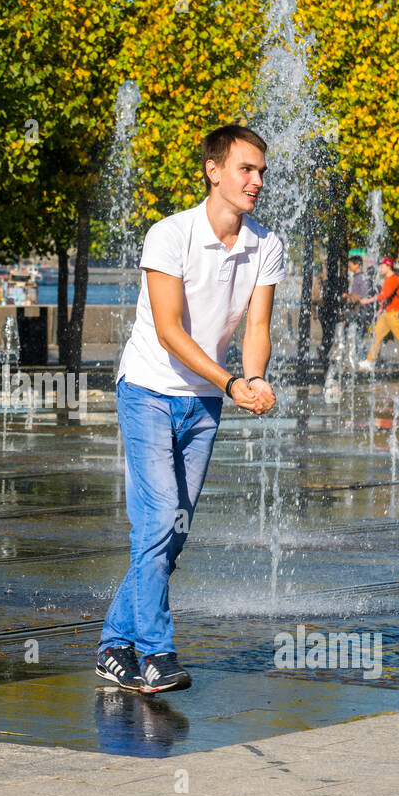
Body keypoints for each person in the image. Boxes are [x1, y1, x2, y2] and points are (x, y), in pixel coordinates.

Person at [99, 124, 281, 695]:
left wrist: (253, 379)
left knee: (172, 533)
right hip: (150, 390)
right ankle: (156, 654)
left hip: (204, 399)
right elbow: (171, 332)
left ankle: (113, 647)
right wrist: (231, 382)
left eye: (260, 172)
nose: (255, 181)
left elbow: (256, 325)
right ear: (214, 170)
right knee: (155, 523)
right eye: (245, 169)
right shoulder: (169, 235)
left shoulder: (266, 245)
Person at [357, 258, 399, 372]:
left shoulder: (394, 279)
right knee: (376, 336)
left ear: (389, 266)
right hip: (387, 314)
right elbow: (386, 298)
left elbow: (385, 295)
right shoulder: (387, 279)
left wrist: (368, 300)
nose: (380, 268)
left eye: (383, 266)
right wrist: (381, 308)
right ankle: (370, 361)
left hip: (394, 314)